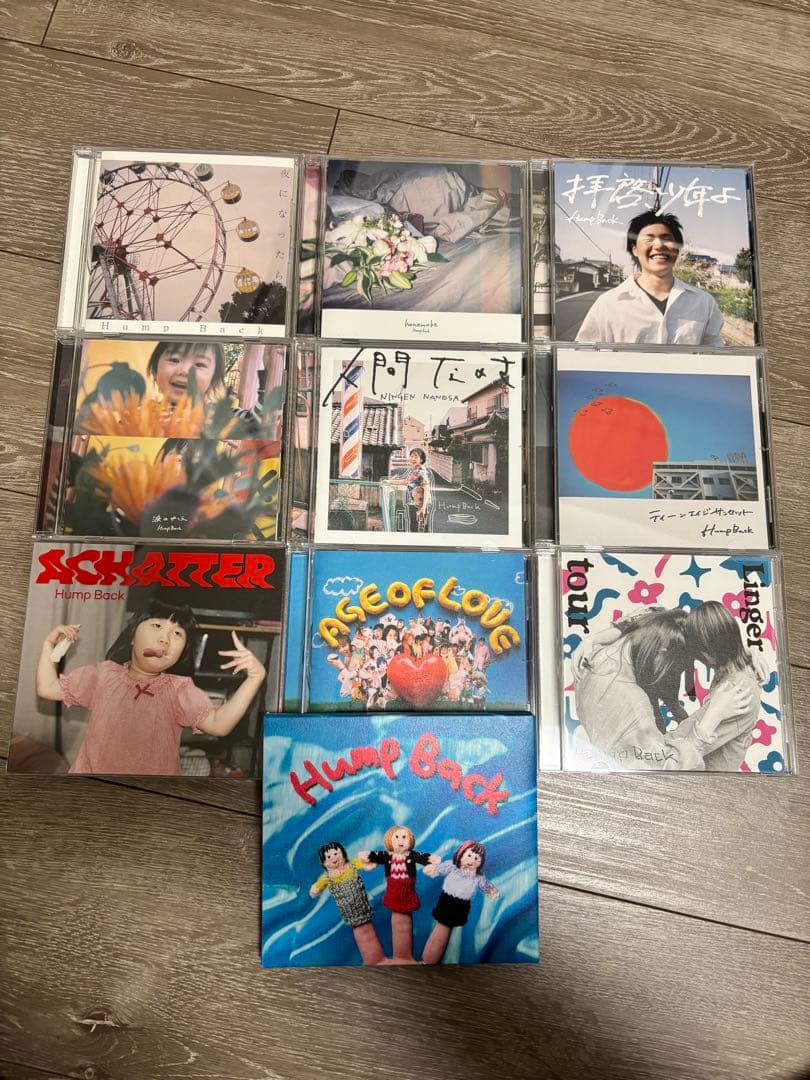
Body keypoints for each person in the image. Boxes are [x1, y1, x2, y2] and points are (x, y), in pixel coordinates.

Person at [35, 600, 265, 775]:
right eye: (156, 626)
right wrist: (48, 646)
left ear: (182, 652)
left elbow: (218, 724)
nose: (165, 639)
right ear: (132, 636)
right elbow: (47, 688)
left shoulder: (179, 689)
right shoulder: (102, 675)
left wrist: (255, 678)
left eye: (177, 634)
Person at [570, 608, 754, 770]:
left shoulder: (596, 654)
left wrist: (739, 650)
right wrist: (711, 717)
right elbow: (668, 768)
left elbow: (644, 620)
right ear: (662, 652)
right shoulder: (634, 706)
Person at [574, 211, 726, 346]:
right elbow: (585, 356)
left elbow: (715, 355)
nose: (659, 245)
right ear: (634, 249)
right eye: (649, 239)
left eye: (667, 239)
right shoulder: (608, 304)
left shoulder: (704, 303)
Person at [359, 825, 440, 962]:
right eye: (396, 837)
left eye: (404, 837)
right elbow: (377, 856)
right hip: (393, 887)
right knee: (394, 904)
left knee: (406, 911)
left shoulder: (411, 855)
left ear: (410, 840)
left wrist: (431, 859)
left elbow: (421, 857)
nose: (400, 840)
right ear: (389, 840)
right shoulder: (388, 856)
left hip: (408, 888)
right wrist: (369, 856)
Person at [421, 840, 499, 965]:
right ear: (460, 854)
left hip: (461, 905)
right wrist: (434, 869)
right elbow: (442, 868)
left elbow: (485, 885)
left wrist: (491, 890)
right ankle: (429, 959)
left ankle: (430, 959)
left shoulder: (478, 877)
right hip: (447, 900)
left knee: (446, 930)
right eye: (469, 855)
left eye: (476, 858)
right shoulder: (453, 866)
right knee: (442, 928)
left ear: (480, 862)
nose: (472, 860)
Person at [308, 842, 385, 965]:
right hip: (348, 911)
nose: (333, 858)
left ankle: (376, 957)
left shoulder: (352, 865)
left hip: (362, 905)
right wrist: (315, 889)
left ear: (343, 854)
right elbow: (317, 887)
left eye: (336, 853)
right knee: (360, 932)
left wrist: (373, 863)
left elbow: (367, 866)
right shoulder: (327, 877)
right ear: (323, 862)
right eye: (328, 857)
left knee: (368, 928)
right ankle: (372, 958)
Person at [147, 341, 226, 406]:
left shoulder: (219, 418)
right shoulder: (144, 414)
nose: (185, 371)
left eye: (199, 364)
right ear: (155, 370)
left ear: (213, 379)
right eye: (174, 360)